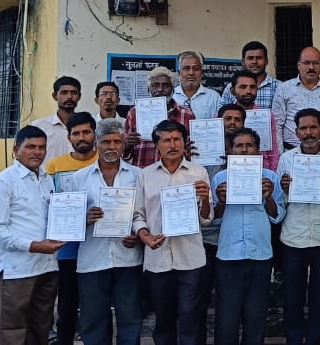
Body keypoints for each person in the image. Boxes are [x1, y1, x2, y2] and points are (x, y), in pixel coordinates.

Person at [132, 120, 213, 345]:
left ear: (185, 143)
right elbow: (138, 215)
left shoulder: (198, 173)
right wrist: (145, 236)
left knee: (190, 317)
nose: (172, 144)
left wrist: (205, 199)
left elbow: (206, 219)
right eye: (166, 140)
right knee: (163, 319)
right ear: (157, 145)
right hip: (158, 259)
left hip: (190, 259)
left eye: (177, 139)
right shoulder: (145, 175)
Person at [0, 125, 66, 345]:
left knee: (41, 329)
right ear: (16, 150)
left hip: (47, 267)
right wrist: (34, 246)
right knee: (13, 332)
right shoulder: (3, 182)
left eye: (41, 147)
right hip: (16, 270)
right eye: (30, 147)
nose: (37, 152)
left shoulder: (47, 179)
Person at [212, 128, 285, 345]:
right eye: (239, 145)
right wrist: (221, 201)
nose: (244, 149)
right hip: (229, 254)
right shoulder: (220, 178)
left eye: (249, 145)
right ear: (231, 150)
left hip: (259, 254)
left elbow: (278, 216)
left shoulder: (270, 178)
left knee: (256, 316)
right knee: (227, 318)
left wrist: (268, 197)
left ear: (258, 150)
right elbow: (213, 219)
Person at [74, 118, 142, 345]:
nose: (111, 147)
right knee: (93, 321)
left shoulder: (138, 175)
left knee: (130, 318)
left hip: (128, 258)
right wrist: (84, 219)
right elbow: (66, 220)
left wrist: (138, 236)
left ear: (123, 144)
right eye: (105, 142)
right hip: (92, 259)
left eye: (117, 141)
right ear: (96, 144)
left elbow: (143, 214)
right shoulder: (79, 178)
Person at [276, 109, 320, 345]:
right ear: (296, 132)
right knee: (292, 296)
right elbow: (279, 202)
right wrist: (284, 190)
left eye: (313, 127)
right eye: (303, 128)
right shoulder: (286, 159)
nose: (308, 133)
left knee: (319, 295)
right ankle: (294, 339)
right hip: (293, 237)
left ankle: (316, 339)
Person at [43, 112, 101, 345]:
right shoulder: (55, 166)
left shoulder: (105, 162)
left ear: (95, 134)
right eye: (76, 133)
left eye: (86, 132)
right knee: (67, 305)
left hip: (98, 246)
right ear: (69, 138)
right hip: (68, 249)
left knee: (95, 306)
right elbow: (50, 204)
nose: (81, 137)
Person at [272, 47, 320, 151]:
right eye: (306, 63)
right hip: (292, 153)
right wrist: (281, 155)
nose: (311, 67)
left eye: (316, 63)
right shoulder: (284, 89)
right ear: (298, 65)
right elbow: (276, 125)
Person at [125, 67, 197, 168]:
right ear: (148, 89)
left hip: (176, 173)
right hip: (143, 172)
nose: (160, 89)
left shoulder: (187, 115)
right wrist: (126, 145)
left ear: (173, 90)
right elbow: (125, 156)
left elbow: (192, 150)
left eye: (165, 85)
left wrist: (190, 154)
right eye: (155, 85)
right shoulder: (133, 114)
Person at [222, 72, 280, 170]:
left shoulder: (266, 115)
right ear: (232, 91)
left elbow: (273, 151)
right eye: (243, 87)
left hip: (261, 169)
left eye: (252, 87)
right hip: (228, 169)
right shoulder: (222, 115)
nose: (248, 91)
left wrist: (273, 173)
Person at [31, 76, 82, 161]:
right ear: (55, 96)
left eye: (74, 93)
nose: (69, 96)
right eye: (64, 92)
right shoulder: (38, 126)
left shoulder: (88, 127)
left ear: (79, 96)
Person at [221, 41, 277, 109]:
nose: (254, 62)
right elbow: (222, 113)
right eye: (250, 58)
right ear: (243, 62)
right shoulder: (230, 87)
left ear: (266, 61)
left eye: (259, 58)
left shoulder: (278, 87)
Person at [174, 51, 222, 124]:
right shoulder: (172, 96)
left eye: (196, 69)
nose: (191, 73)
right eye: (186, 68)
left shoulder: (214, 97)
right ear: (179, 72)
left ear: (202, 72)